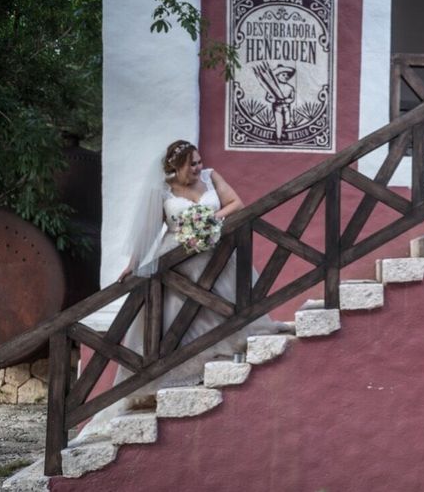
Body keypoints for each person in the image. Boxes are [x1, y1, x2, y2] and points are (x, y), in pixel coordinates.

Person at [75, 140, 291, 442]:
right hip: (177, 263)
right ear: (176, 167)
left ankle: (219, 352)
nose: (199, 167)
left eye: (200, 161)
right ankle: (166, 376)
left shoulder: (212, 177)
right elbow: (149, 232)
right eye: (193, 163)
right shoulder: (162, 192)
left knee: (220, 308)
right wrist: (133, 264)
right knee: (178, 317)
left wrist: (209, 220)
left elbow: (236, 204)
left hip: (216, 258)